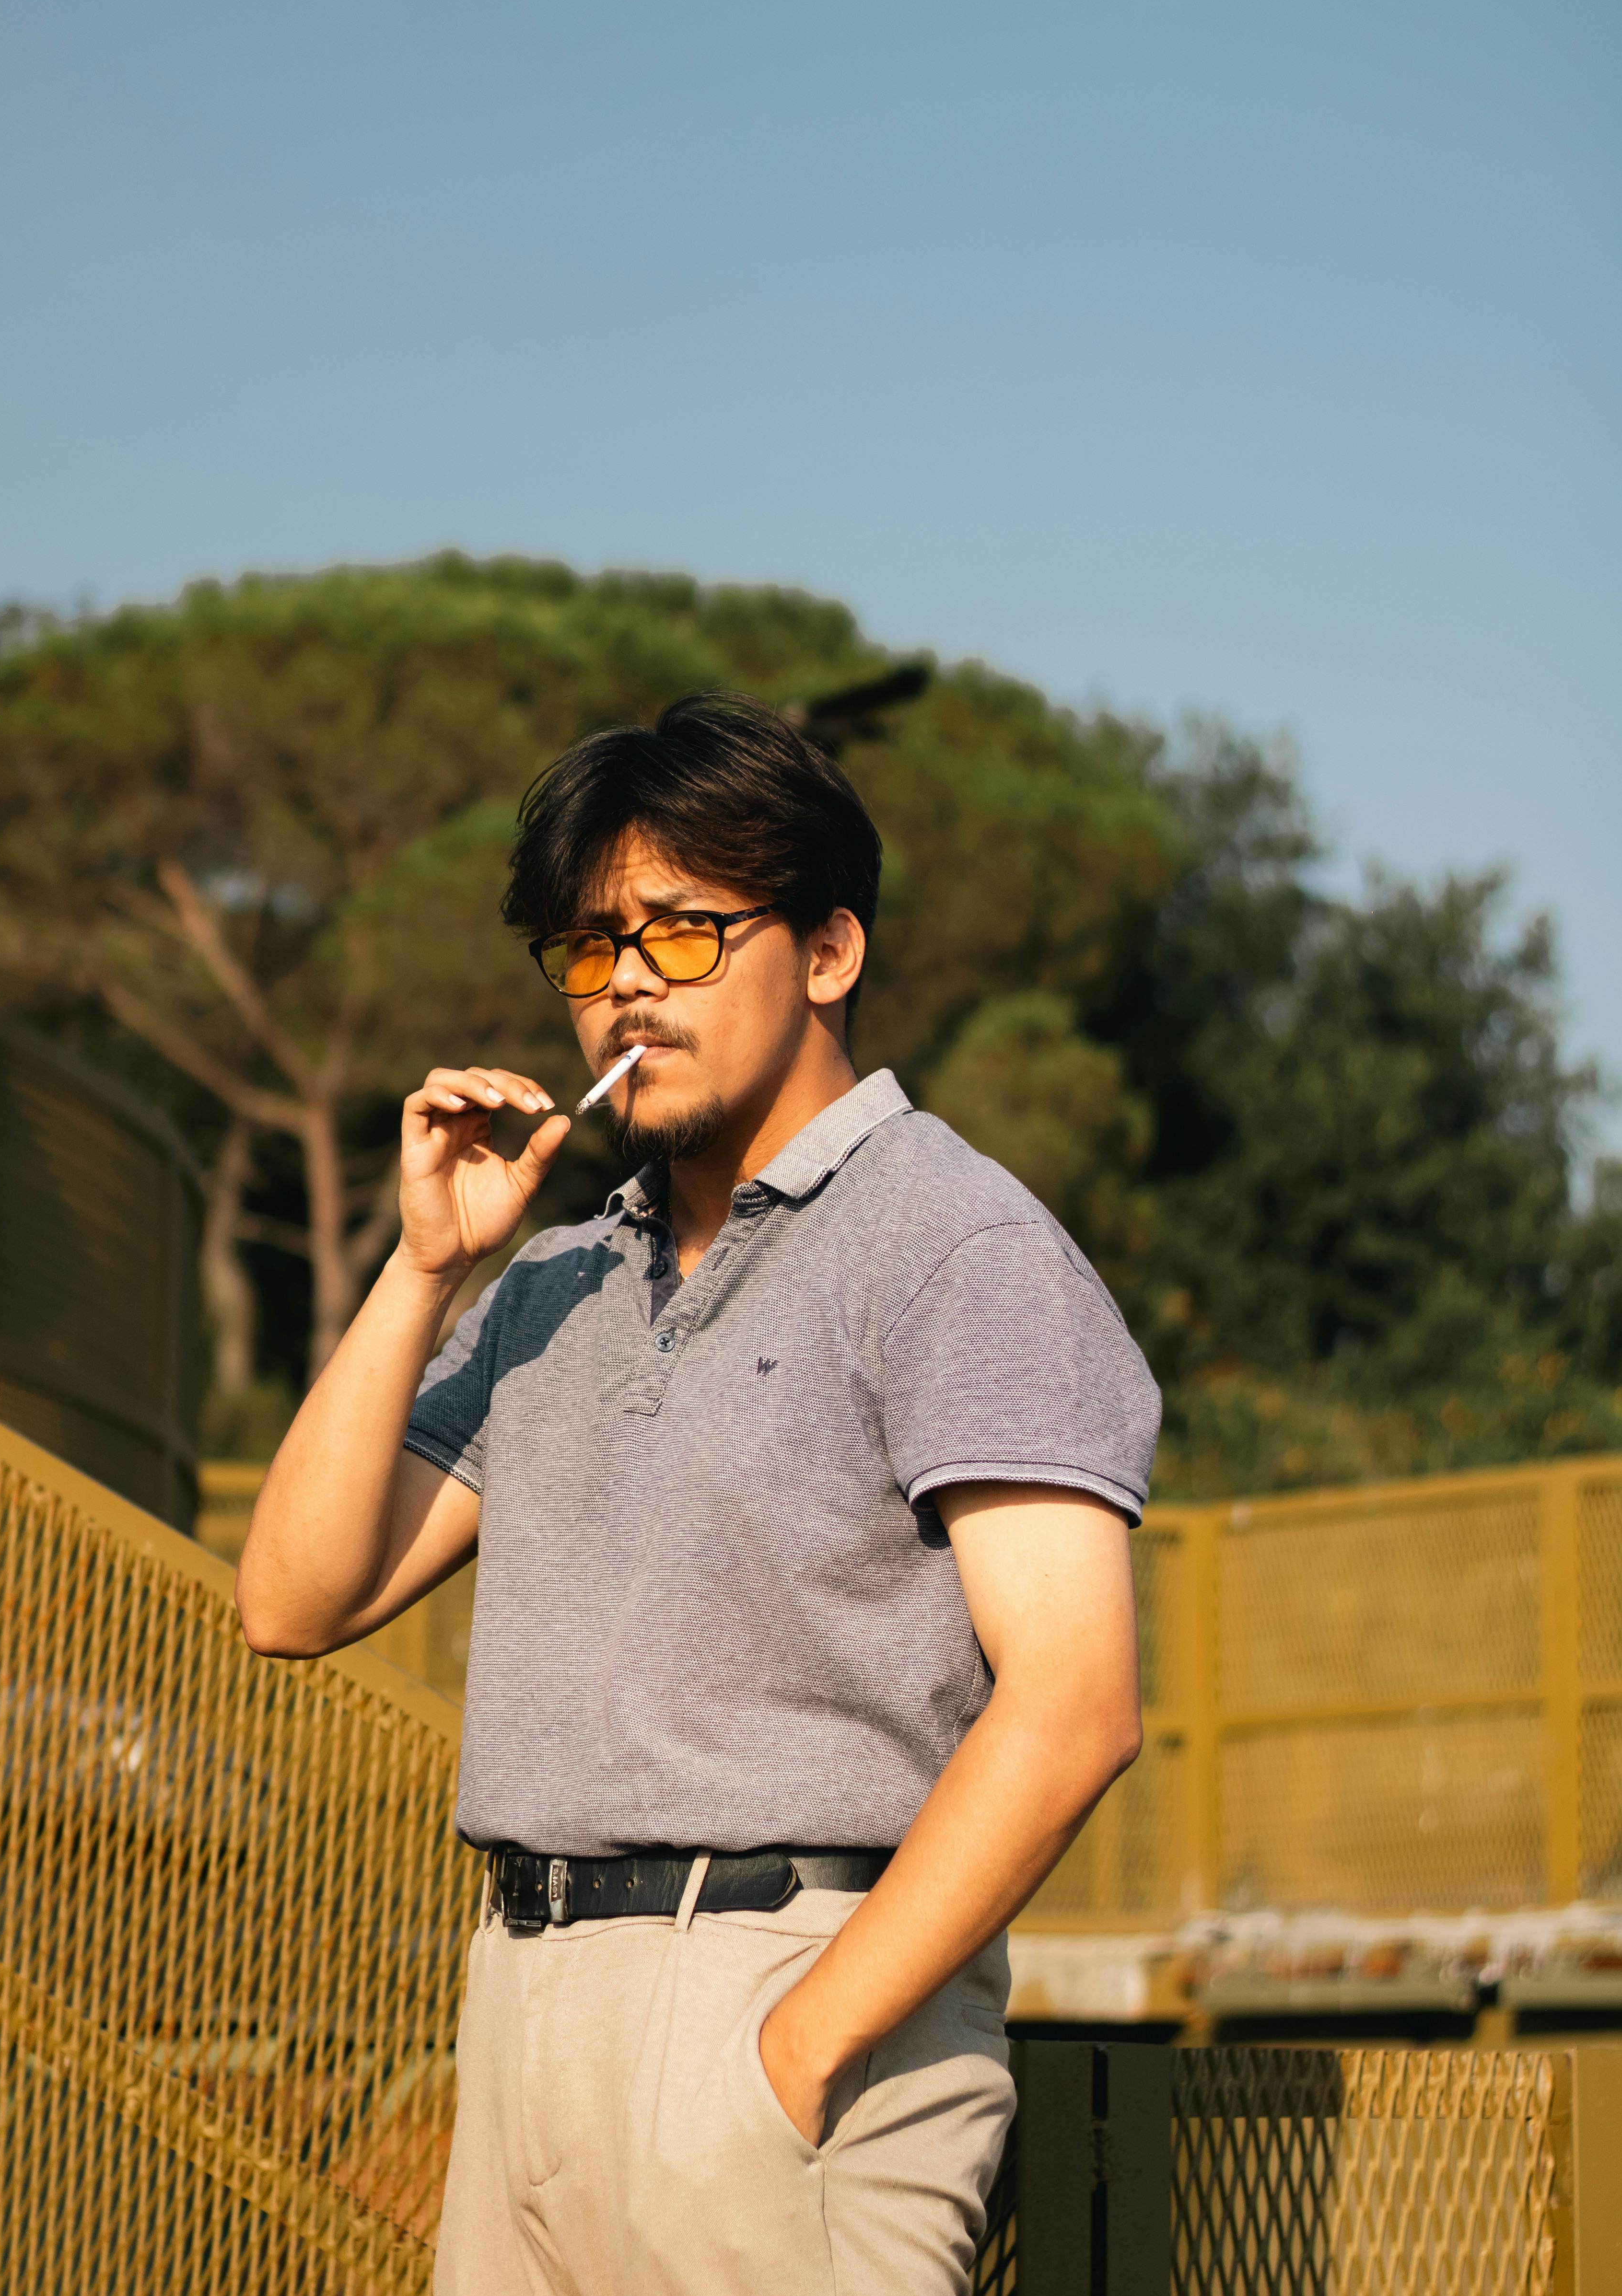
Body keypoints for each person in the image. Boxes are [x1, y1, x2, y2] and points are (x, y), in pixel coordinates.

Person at [236, 691, 1160, 2296]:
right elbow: (290, 1600)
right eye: (590, 949)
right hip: (526, 2006)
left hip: (782, 2005)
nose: (624, 992)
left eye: (683, 932)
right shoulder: (552, 1284)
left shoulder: (954, 1244)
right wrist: (422, 1267)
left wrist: (790, 2047)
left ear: (827, 952)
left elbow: (1074, 1703)